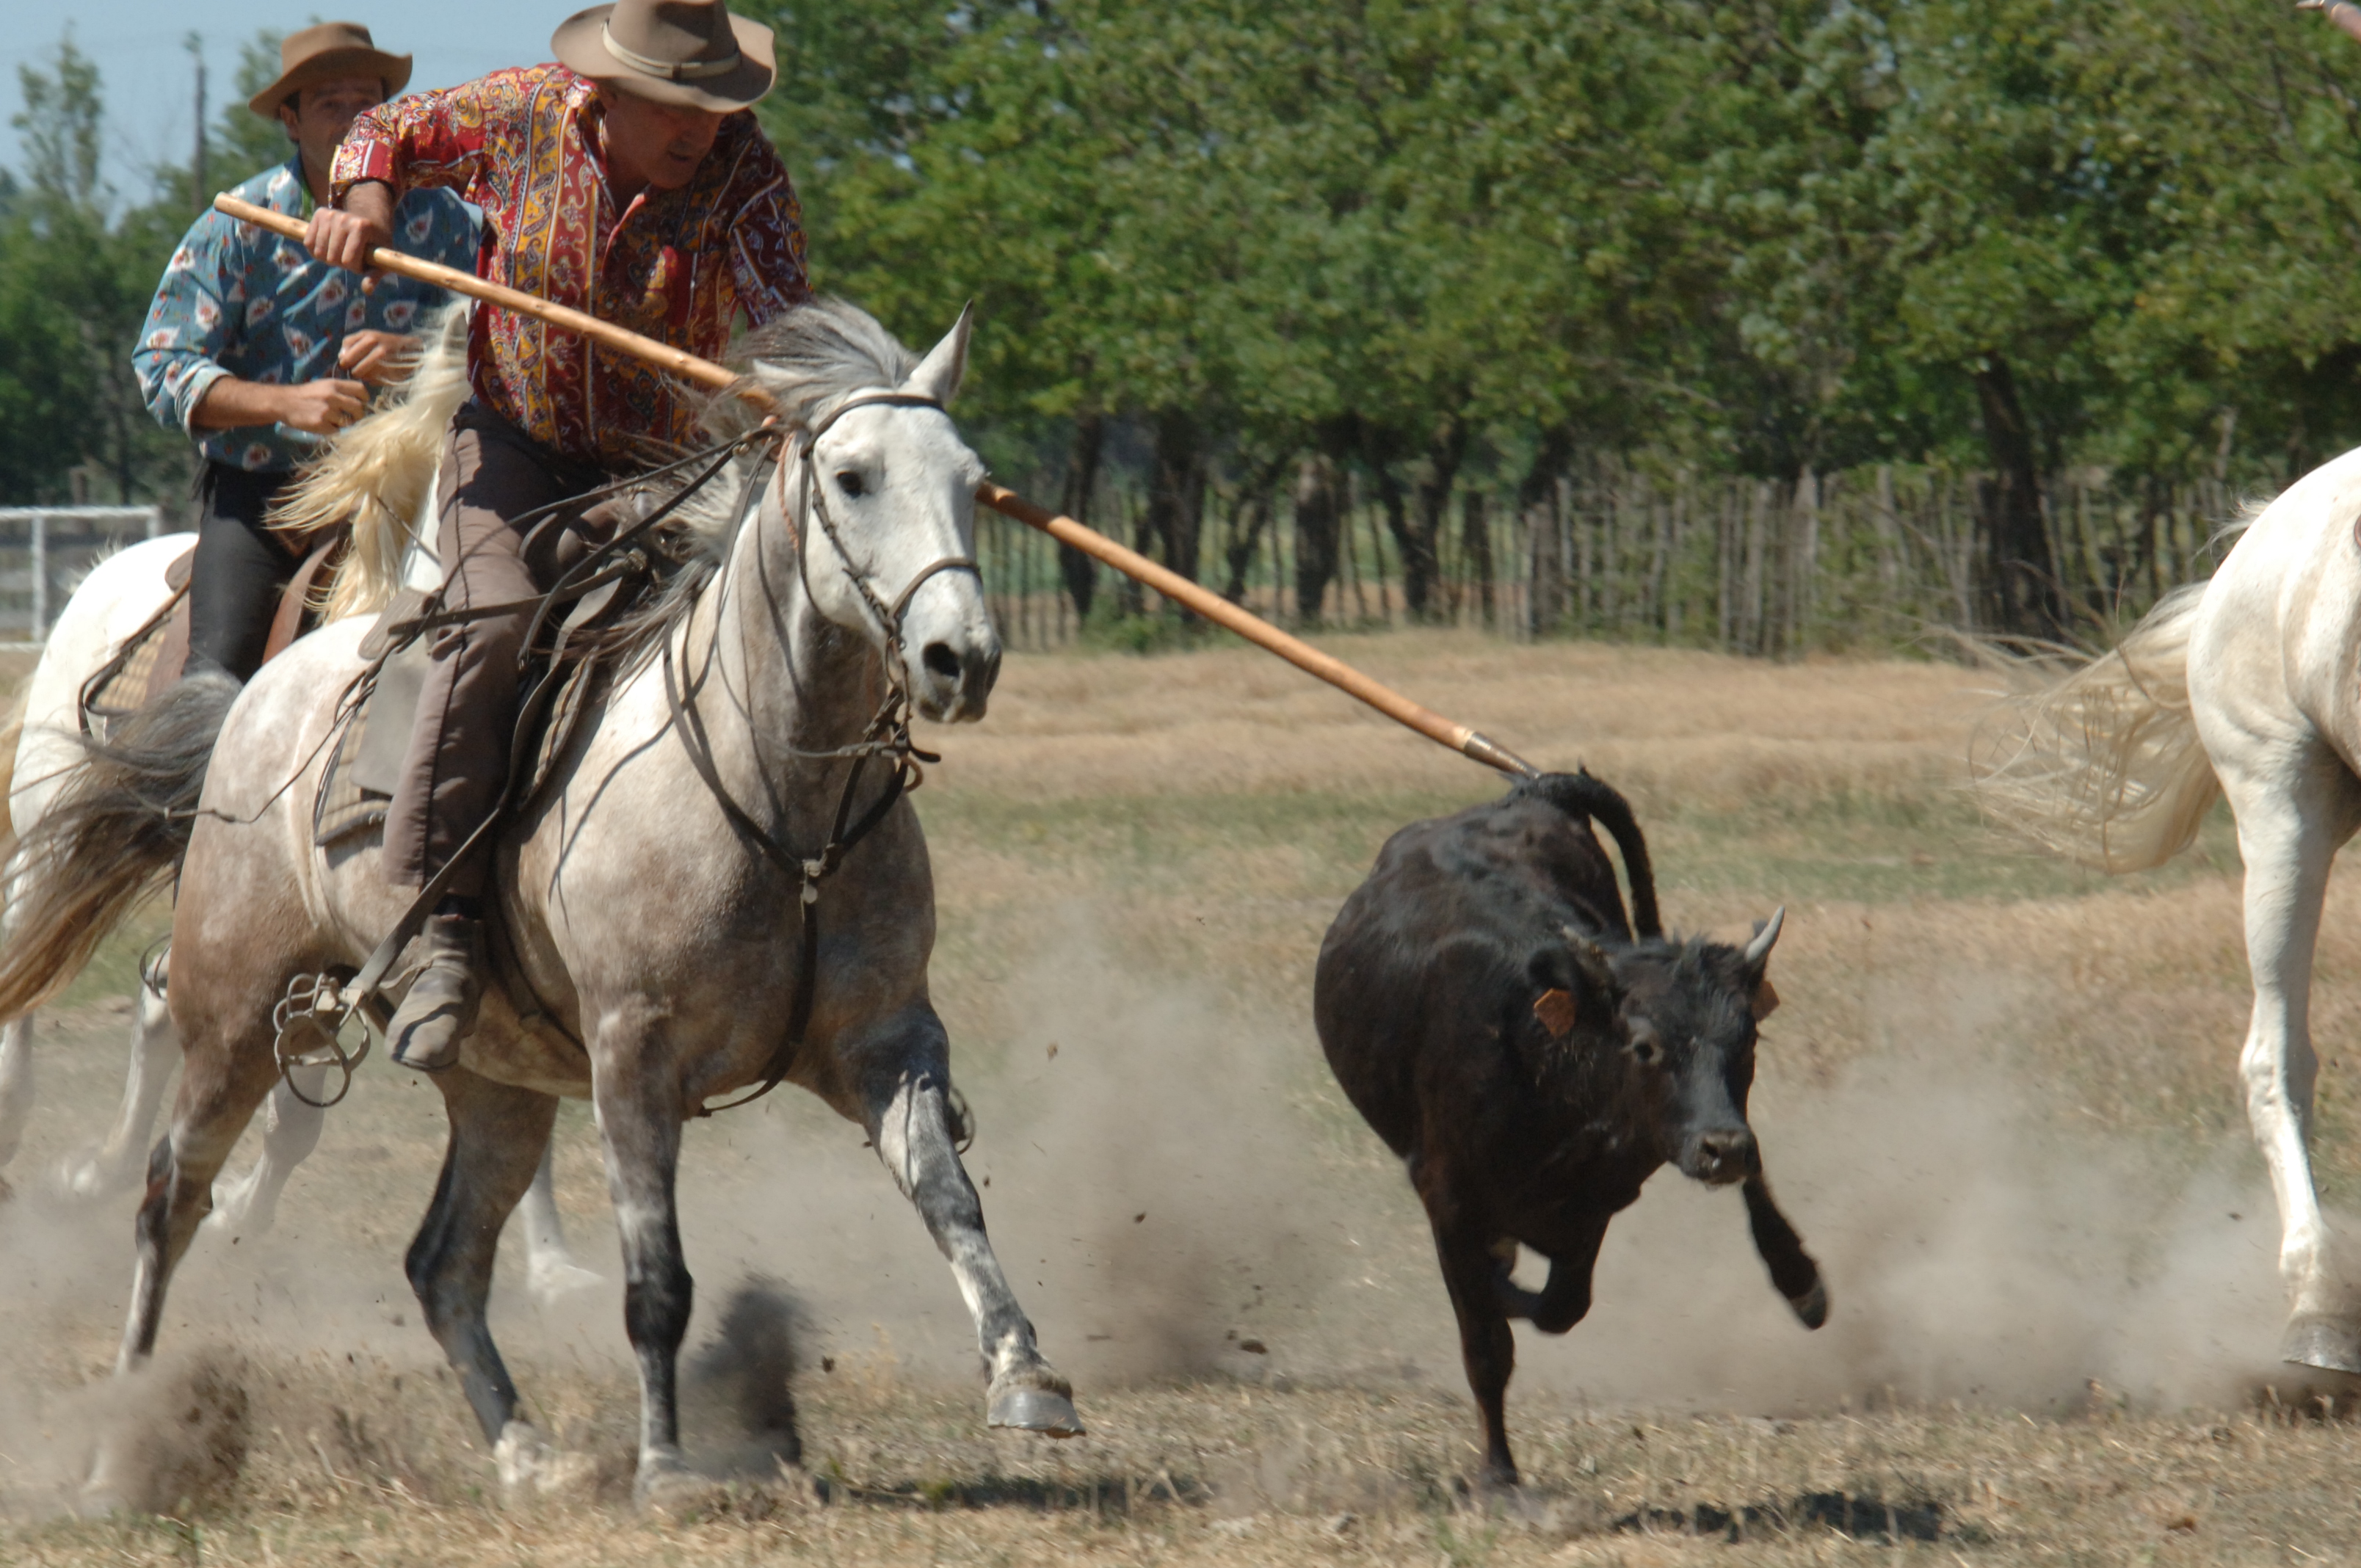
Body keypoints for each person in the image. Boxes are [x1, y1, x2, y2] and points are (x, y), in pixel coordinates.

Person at [310, 0, 812, 1070]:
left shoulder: (747, 174)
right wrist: (363, 202)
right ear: (612, 92)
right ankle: (441, 932)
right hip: (515, 450)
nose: (701, 130)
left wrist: (802, 391)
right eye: (679, 106)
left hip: (664, 474)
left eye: (715, 107)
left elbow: (787, 319)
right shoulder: (519, 116)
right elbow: (380, 131)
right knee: (493, 621)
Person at [134, 23, 479, 681]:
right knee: (219, 671)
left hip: (410, 489)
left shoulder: (450, 225)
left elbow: (502, 349)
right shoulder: (237, 225)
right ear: (290, 121)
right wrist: (288, 402)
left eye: (367, 105)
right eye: (329, 104)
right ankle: (187, 774)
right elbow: (162, 363)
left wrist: (419, 360)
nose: (353, 122)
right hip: (268, 494)